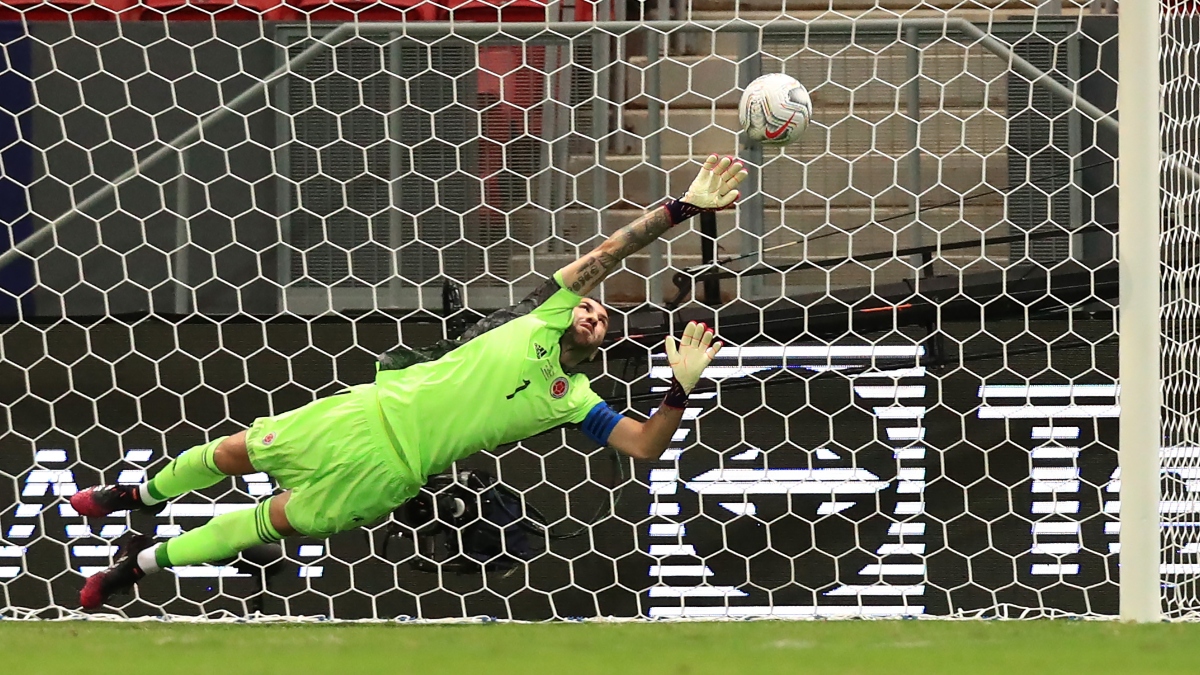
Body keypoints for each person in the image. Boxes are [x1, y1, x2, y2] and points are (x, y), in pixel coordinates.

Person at [71, 154, 747, 609]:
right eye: (592, 304)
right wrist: (684, 207)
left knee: (265, 519)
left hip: (390, 473)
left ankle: (139, 567)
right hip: (361, 413)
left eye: (604, 318)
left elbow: (643, 446)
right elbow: (612, 249)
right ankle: (137, 490)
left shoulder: (573, 400)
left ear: (600, 347)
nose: (595, 312)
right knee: (232, 452)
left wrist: (680, 386)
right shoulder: (544, 309)